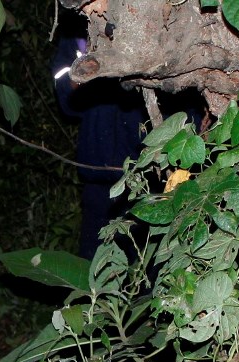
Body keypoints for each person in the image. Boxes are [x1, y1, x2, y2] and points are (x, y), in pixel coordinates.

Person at [52, 35, 147, 260]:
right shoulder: (80, 35)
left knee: (149, 276)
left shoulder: (151, 21)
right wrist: (92, 65)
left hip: (148, 178)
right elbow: (66, 99)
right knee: (95, 273)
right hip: (98, 180)